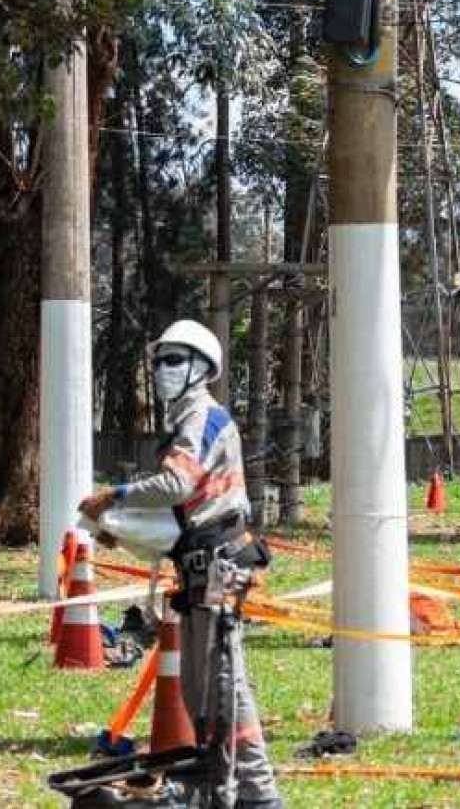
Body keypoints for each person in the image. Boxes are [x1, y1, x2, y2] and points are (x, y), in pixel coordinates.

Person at [79, 321, 281, 809]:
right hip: (197, 570)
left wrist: (117, 495)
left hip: (218, 568)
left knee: (223, 687)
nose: (162, 370)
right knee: (198, 690)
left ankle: (258, 796)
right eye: (159, 360)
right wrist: (118, 529)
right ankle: (217, 788)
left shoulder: (204, 419)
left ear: (203, 368)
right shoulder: (183, 420)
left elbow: (176, 487)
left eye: (174, 360)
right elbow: (174, 524)